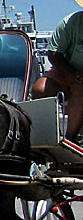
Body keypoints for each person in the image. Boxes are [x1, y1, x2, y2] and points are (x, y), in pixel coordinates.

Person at [33, 8, 83, 141]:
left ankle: (69, 140)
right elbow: (54, 54)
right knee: (40, 89)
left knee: (80, 91)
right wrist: (72, 73)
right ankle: (45, 138)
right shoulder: (70, 23)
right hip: (66, 71)